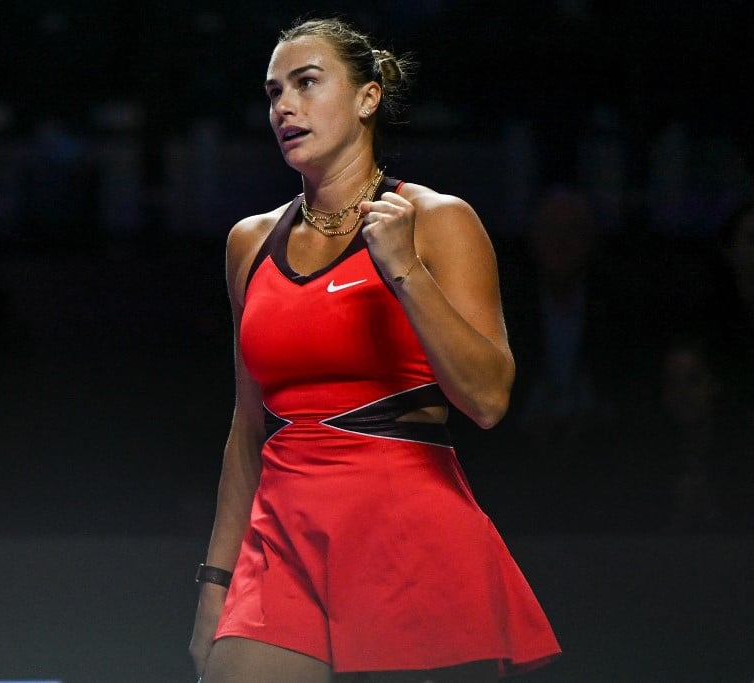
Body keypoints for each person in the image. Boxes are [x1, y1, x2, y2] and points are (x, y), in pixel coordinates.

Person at [190, 17, 560, 683]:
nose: (285, 107)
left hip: (407, 535)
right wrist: (214, 583)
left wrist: (406, 271)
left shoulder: (438, 219)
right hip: (282, 542)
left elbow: (487, 399)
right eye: (274, 93)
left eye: (307, 83)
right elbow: (247, 427)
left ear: (367, 97)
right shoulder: (249, 242)